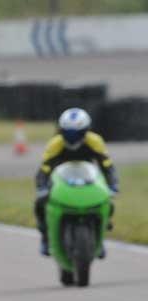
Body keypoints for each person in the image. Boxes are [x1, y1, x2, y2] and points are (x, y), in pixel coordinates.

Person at [34, 108, 119, 257]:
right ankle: (45, 237)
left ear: (86, 131)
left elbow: (107, 166)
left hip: (89, 179)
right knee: (40, 203)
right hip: (61, 181)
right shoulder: (55, 144)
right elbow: (44, 169)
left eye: (77, 133)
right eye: (67, 133)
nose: (72, 137)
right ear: (61, 131)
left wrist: (113, 185)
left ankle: (100, 235)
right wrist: (41, 187)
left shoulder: (95, 141)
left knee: (108, 203)